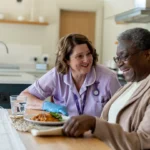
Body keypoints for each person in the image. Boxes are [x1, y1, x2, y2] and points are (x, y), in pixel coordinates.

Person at [63, 28, 150, 150]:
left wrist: (94, 124)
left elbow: (143, 143)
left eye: (124, 56)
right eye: (117, 58)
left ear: (147, 55)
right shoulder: (129, 86)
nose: (119, 64)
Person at [20, 33, 121, 117]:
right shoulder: (57, 75)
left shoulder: (109, 78)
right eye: (80, 56)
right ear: (66, 60)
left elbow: (122, 110)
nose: (86, 60)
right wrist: (46, 105)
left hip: (97, 134)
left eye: (89, 54)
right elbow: (23, 97)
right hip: (62, 131)